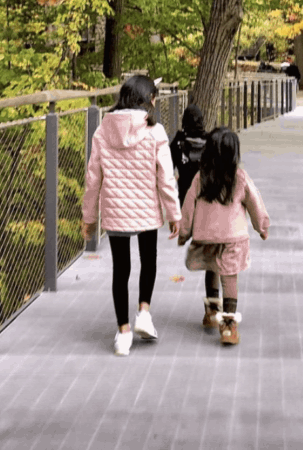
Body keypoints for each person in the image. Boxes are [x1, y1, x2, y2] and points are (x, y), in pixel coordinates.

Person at [82, 75, 181, 356]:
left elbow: (93, 178)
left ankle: (123, 333)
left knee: (121, 269)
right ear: (148, 99)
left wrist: (89, 217)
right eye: (154, 97)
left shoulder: (103, 130)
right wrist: (174, 213)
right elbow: (165, 178)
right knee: (148, 260)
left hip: (115, 209)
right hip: (146, 208)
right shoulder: (155, 131)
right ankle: (144, 313)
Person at [177, 127, 269, 346]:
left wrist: (183, 233)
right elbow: (255, 202)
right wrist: (262, 226)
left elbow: (188, 207)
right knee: (229, 276)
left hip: (206, 236)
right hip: (233, 238)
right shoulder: (240, 177)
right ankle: (228, 325)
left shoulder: (200, 177)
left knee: (212, 267)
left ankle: (211, 311)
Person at [169, 104, 208, 207]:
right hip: (205, 193)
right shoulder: (210, 141)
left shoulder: (178, 142)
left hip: (184, 193)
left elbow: (169, 168)